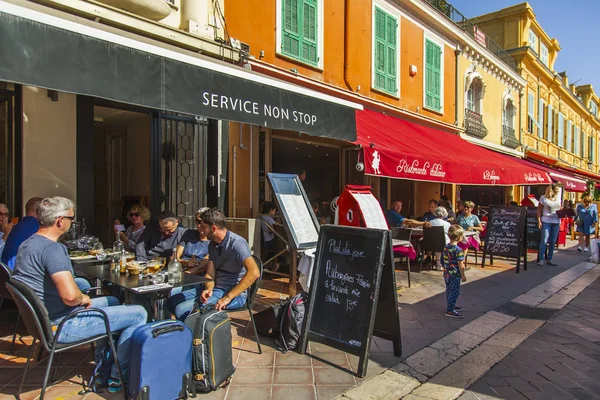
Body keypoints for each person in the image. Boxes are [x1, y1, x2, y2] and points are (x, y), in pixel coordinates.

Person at [12, 197, 147, 392]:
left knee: (112, 300)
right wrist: (83, 298)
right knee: (139, 313)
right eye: (71, 218)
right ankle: (118, 376)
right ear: (60, 221)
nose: (71, 223)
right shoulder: (53, 249)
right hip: (63, 325)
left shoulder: (27, 244)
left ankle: (103, 366)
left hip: (43, 322)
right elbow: (71, 297)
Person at [167, 208, 260, 321]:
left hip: (233, 294)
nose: (201, 229)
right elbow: (210, 273)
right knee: (173, 300)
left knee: (182, 310)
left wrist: (228, 298)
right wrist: (208, 288)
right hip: (215, 289)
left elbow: (254, 272)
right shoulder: (212, 244)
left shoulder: (237, 243)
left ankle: (193, 335)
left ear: (214, 228)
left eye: (204, 227)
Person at [1, 197, 43, 270]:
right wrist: (5, 235)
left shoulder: (15, 227)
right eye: (0, 214)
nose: (3, 217)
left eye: (6, 214)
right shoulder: (33, 227)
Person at [442, 225, 466, 319]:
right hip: (455, 274)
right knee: (454, 291)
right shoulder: (458, 250)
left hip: (447, 273)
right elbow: (461, 264)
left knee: (449, 290)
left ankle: (451, 304)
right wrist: (463, 275)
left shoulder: (446, 247)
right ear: (459, 237)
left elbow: (443, 259)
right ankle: (450, 310)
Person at [176, 207, 210, 275]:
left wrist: (183, 276)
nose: (199, 225)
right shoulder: (188, 234)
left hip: (198, 277)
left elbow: (202, 267)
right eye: (198, 221)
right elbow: (175, 258)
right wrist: (186, 263)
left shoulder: (214, 241)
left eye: (203, 222)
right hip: (180, 271)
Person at [537, 184, 561, 266]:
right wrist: (539, 221)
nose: (558, 192)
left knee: (553, 241)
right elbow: (539, 210)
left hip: (556, 221)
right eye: (557, 190)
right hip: (546, 221)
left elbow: (560, 209)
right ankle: (541, 259)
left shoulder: (558, 198)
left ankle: (550, 259)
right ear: (552, 190)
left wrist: (564, 213)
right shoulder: (543, 198)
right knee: (544, 240)